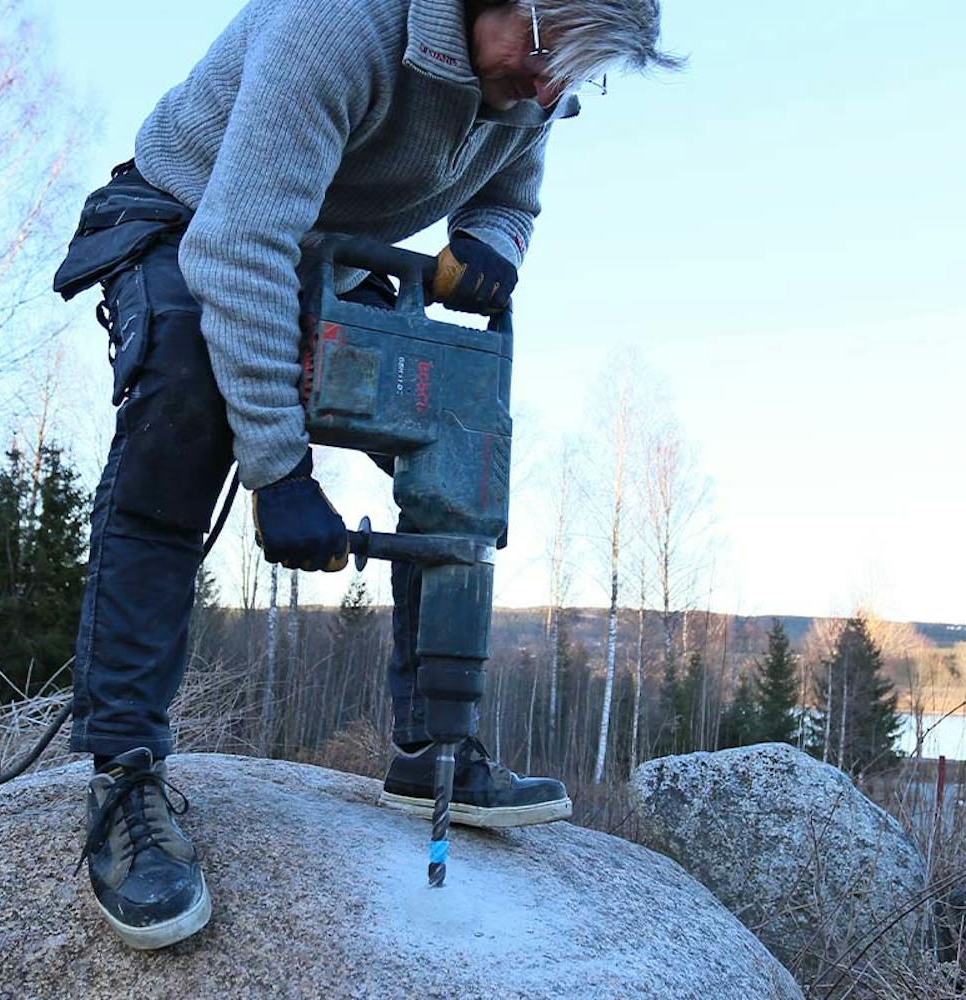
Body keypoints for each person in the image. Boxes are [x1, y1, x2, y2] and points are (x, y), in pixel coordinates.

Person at [53, 0, 680, 951]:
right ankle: (125, 778)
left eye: (576, 81)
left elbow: (509, 199)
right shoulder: (336, 29)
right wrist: (280, 468)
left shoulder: (530, 79)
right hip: (193, 216)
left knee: (457, 431)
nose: (548, 93)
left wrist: (490, 247)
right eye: (548, 58)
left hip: (327, 250)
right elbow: (236, 245)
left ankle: (437, 746)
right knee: (183, 423)